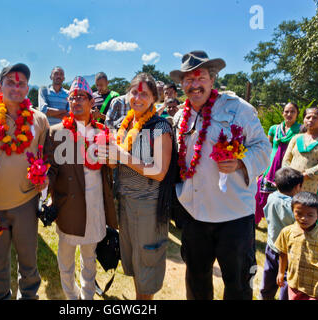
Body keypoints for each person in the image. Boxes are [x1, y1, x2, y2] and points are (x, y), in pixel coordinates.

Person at [170, 50, 271, 300]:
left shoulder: (239, 109)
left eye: (200, 77)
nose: (194, 85)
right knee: (197, 282)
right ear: (182, 84)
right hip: (195, 215)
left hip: (234, 217)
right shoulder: (180, 117)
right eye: (188, 80)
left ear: (212, 79)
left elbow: (263, 148)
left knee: (237, 285)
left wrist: (240, 163)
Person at [99, 72, 176, 300]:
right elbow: (115, 163)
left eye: (145, 93)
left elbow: (160, 172)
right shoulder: (126, 125)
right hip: (125, 203)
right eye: (134, 92)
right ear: (127, 95)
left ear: (154, 98)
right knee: (134, 261)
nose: (138, 97)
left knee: (147, 263)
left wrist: (122, 155)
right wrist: (110, 155)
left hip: (148, 206)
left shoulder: (160, 126)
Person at [0, 63, 49, 300]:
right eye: (10, 82)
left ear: (27, 89)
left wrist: (44, 177)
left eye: (21, 84)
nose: (16, 88)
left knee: (28, 258)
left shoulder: (39, 120)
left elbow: (45, 157)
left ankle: (29, 296)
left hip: (26, 202)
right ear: (0, 86)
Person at [46, 76, 117, 300]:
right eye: (72, 97)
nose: (76, 101)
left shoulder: (101, 132)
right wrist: (45, 195)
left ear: (91, 102)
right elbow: (50, 170)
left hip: (95, 204)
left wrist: (111, 155)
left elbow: (111, 165)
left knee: (89, 258)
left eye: (81, 97)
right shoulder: (56, 132)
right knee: (65, 260)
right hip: (68, 206)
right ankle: (71, 296)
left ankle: (86, 298)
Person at [276, 192, 318, 300]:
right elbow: (282, 252)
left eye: (310, 215)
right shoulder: (287, 232)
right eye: (299, 213)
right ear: (293, 211)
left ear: (317, 215)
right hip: (295, 284)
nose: (303, 218)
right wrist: (281, 272)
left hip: (317, 288)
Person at [282, 106, 318, 229]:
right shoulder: (296, 138)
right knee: (292, 214)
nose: (310, 120)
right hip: (293, 185)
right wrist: (289, 176)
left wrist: (303, 175)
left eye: (315, 117)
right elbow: (286, 160)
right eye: (307, 117)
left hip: (313, 184)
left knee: (309, 216)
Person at [259, 167, 303, 300]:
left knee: (269, 274)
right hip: (290, 251)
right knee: (287, 278)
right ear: (297, 187)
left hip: (272, 245)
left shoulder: (271, 197)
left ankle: (265, 296)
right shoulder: (295, 207)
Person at [255, 102, 301, 225]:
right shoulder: (274, 129)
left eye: (292, 111)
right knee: (261, 194)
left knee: (285, 199)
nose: (289, 114)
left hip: (289, 168)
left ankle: (281, 224)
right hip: (270, 168)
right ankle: (256, 221)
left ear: (297, 114)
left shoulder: (301, 129)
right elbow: (266, 147)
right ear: (282, 113)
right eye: (286, 111)